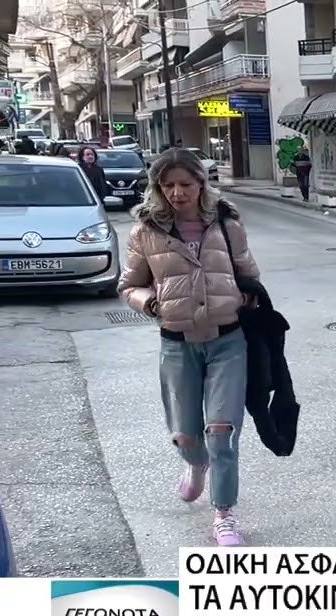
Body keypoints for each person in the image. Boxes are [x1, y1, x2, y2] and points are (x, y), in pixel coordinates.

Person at [117, 148, 261, 547]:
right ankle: (195, 465)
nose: (177, 193)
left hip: (228, 341)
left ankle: (224, 515)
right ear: (157, 188)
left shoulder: (227, 224)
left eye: (185, 184)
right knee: (186, 435)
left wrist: (244, 298)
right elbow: (129, 286)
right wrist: (150, 303)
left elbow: (250, 275)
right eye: (168, 185)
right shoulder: (145, 231)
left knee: (222, 430)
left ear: (201, 183)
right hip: (177, 344)